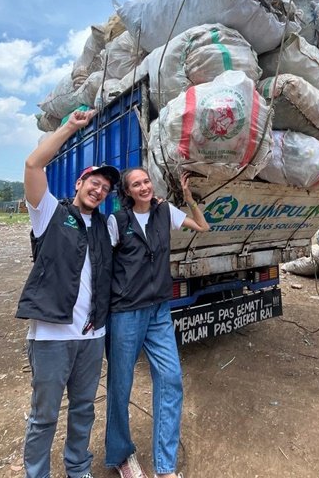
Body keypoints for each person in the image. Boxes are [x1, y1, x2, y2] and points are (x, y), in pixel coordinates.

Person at [19, 108, 119, 478]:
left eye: (106, 189)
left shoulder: (107, 227)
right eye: (94, 182)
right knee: (44, 415)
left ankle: (78, 469)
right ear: (78, 184)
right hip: (51, 336)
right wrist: (69, 127)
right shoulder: (49, 213)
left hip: (92, 336)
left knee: (83, 409)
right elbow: (33, 164)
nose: (99, 189)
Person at [106, 168, 210, 478]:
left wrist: (189, 198)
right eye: (136, 184)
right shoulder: (117, 221)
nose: (143, 187)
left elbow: (202, 226)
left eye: (146, 181)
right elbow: (104, 265)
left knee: (171, 379)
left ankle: (165, 467)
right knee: (120, 385)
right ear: (127, 191)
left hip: (159, 311)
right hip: (125, 312)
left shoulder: (165, 211)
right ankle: (121, 456)